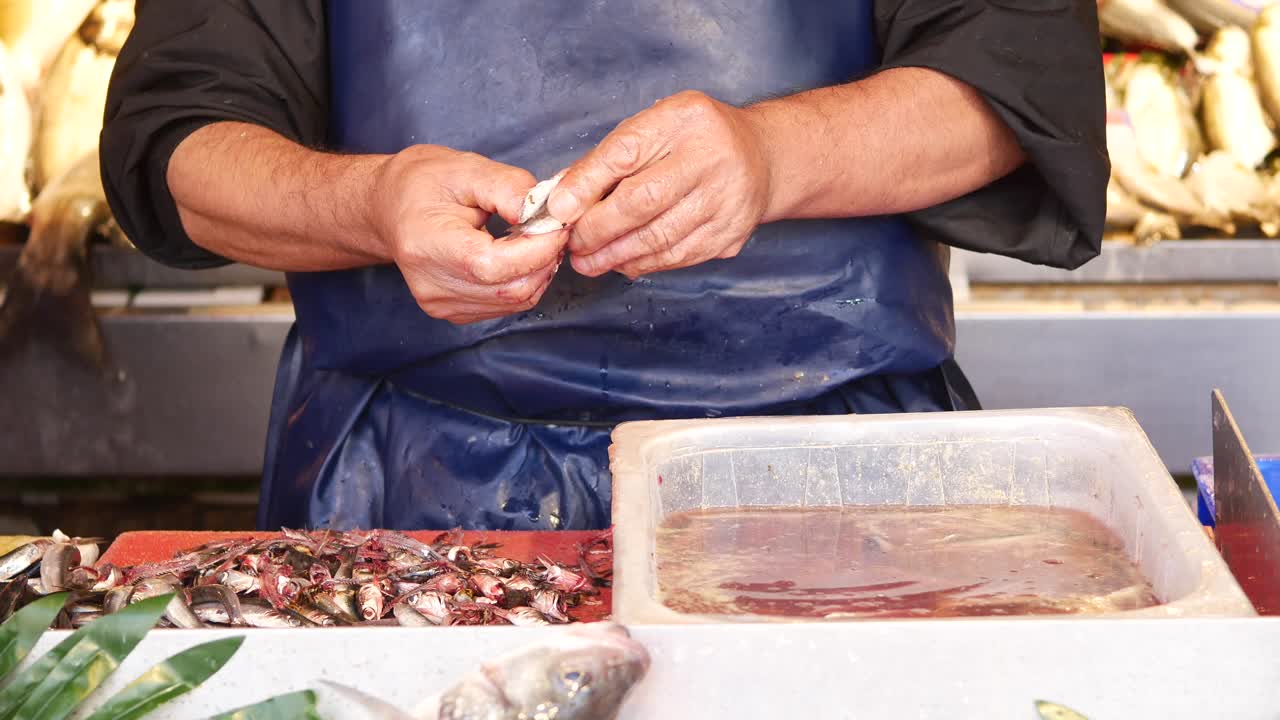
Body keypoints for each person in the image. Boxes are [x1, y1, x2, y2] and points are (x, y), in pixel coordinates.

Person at [100, 1, 1107, 532]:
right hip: (407, 480)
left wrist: (776, 154)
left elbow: (1014, 87)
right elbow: (179, 141)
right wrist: (370, 205)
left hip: (841, 469)